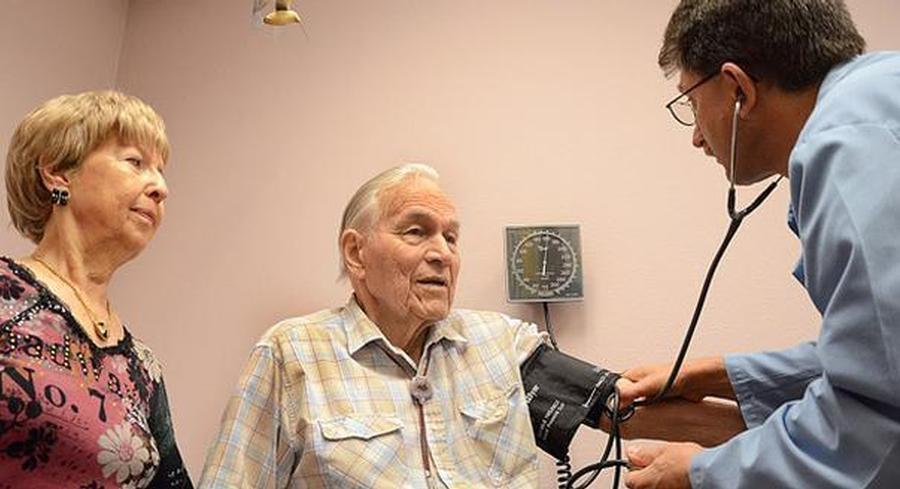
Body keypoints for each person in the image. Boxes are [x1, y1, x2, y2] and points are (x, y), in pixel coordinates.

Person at [617, 1, 900, 488]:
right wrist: (720, 374)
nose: (697, 139)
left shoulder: (841, 147)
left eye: (689, 101)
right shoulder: (880, 92)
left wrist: (701, 471)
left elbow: (877, 420)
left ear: (737, 89)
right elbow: (878, 353)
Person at [199, 164, 623, 488]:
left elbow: (622, 406)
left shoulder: (500, 343)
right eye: (417, 232)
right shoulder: (292, 354)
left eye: (452, 238)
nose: (442, 253)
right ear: (356, 253)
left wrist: (692, 451)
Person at [1, 91, 193, 488]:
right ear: (57, 173)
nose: (161, 187)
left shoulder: (142, 367)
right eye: (135, 162)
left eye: (161, 170)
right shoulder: (6, 296)